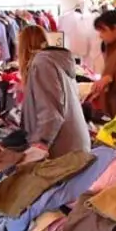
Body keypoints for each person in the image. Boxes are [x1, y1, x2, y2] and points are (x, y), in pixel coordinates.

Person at [17, 28, 89, 158]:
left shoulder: (42, 63)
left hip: (62, 148)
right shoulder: (55, 61)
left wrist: (41, 142)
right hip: (73, 144)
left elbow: (50, 111)